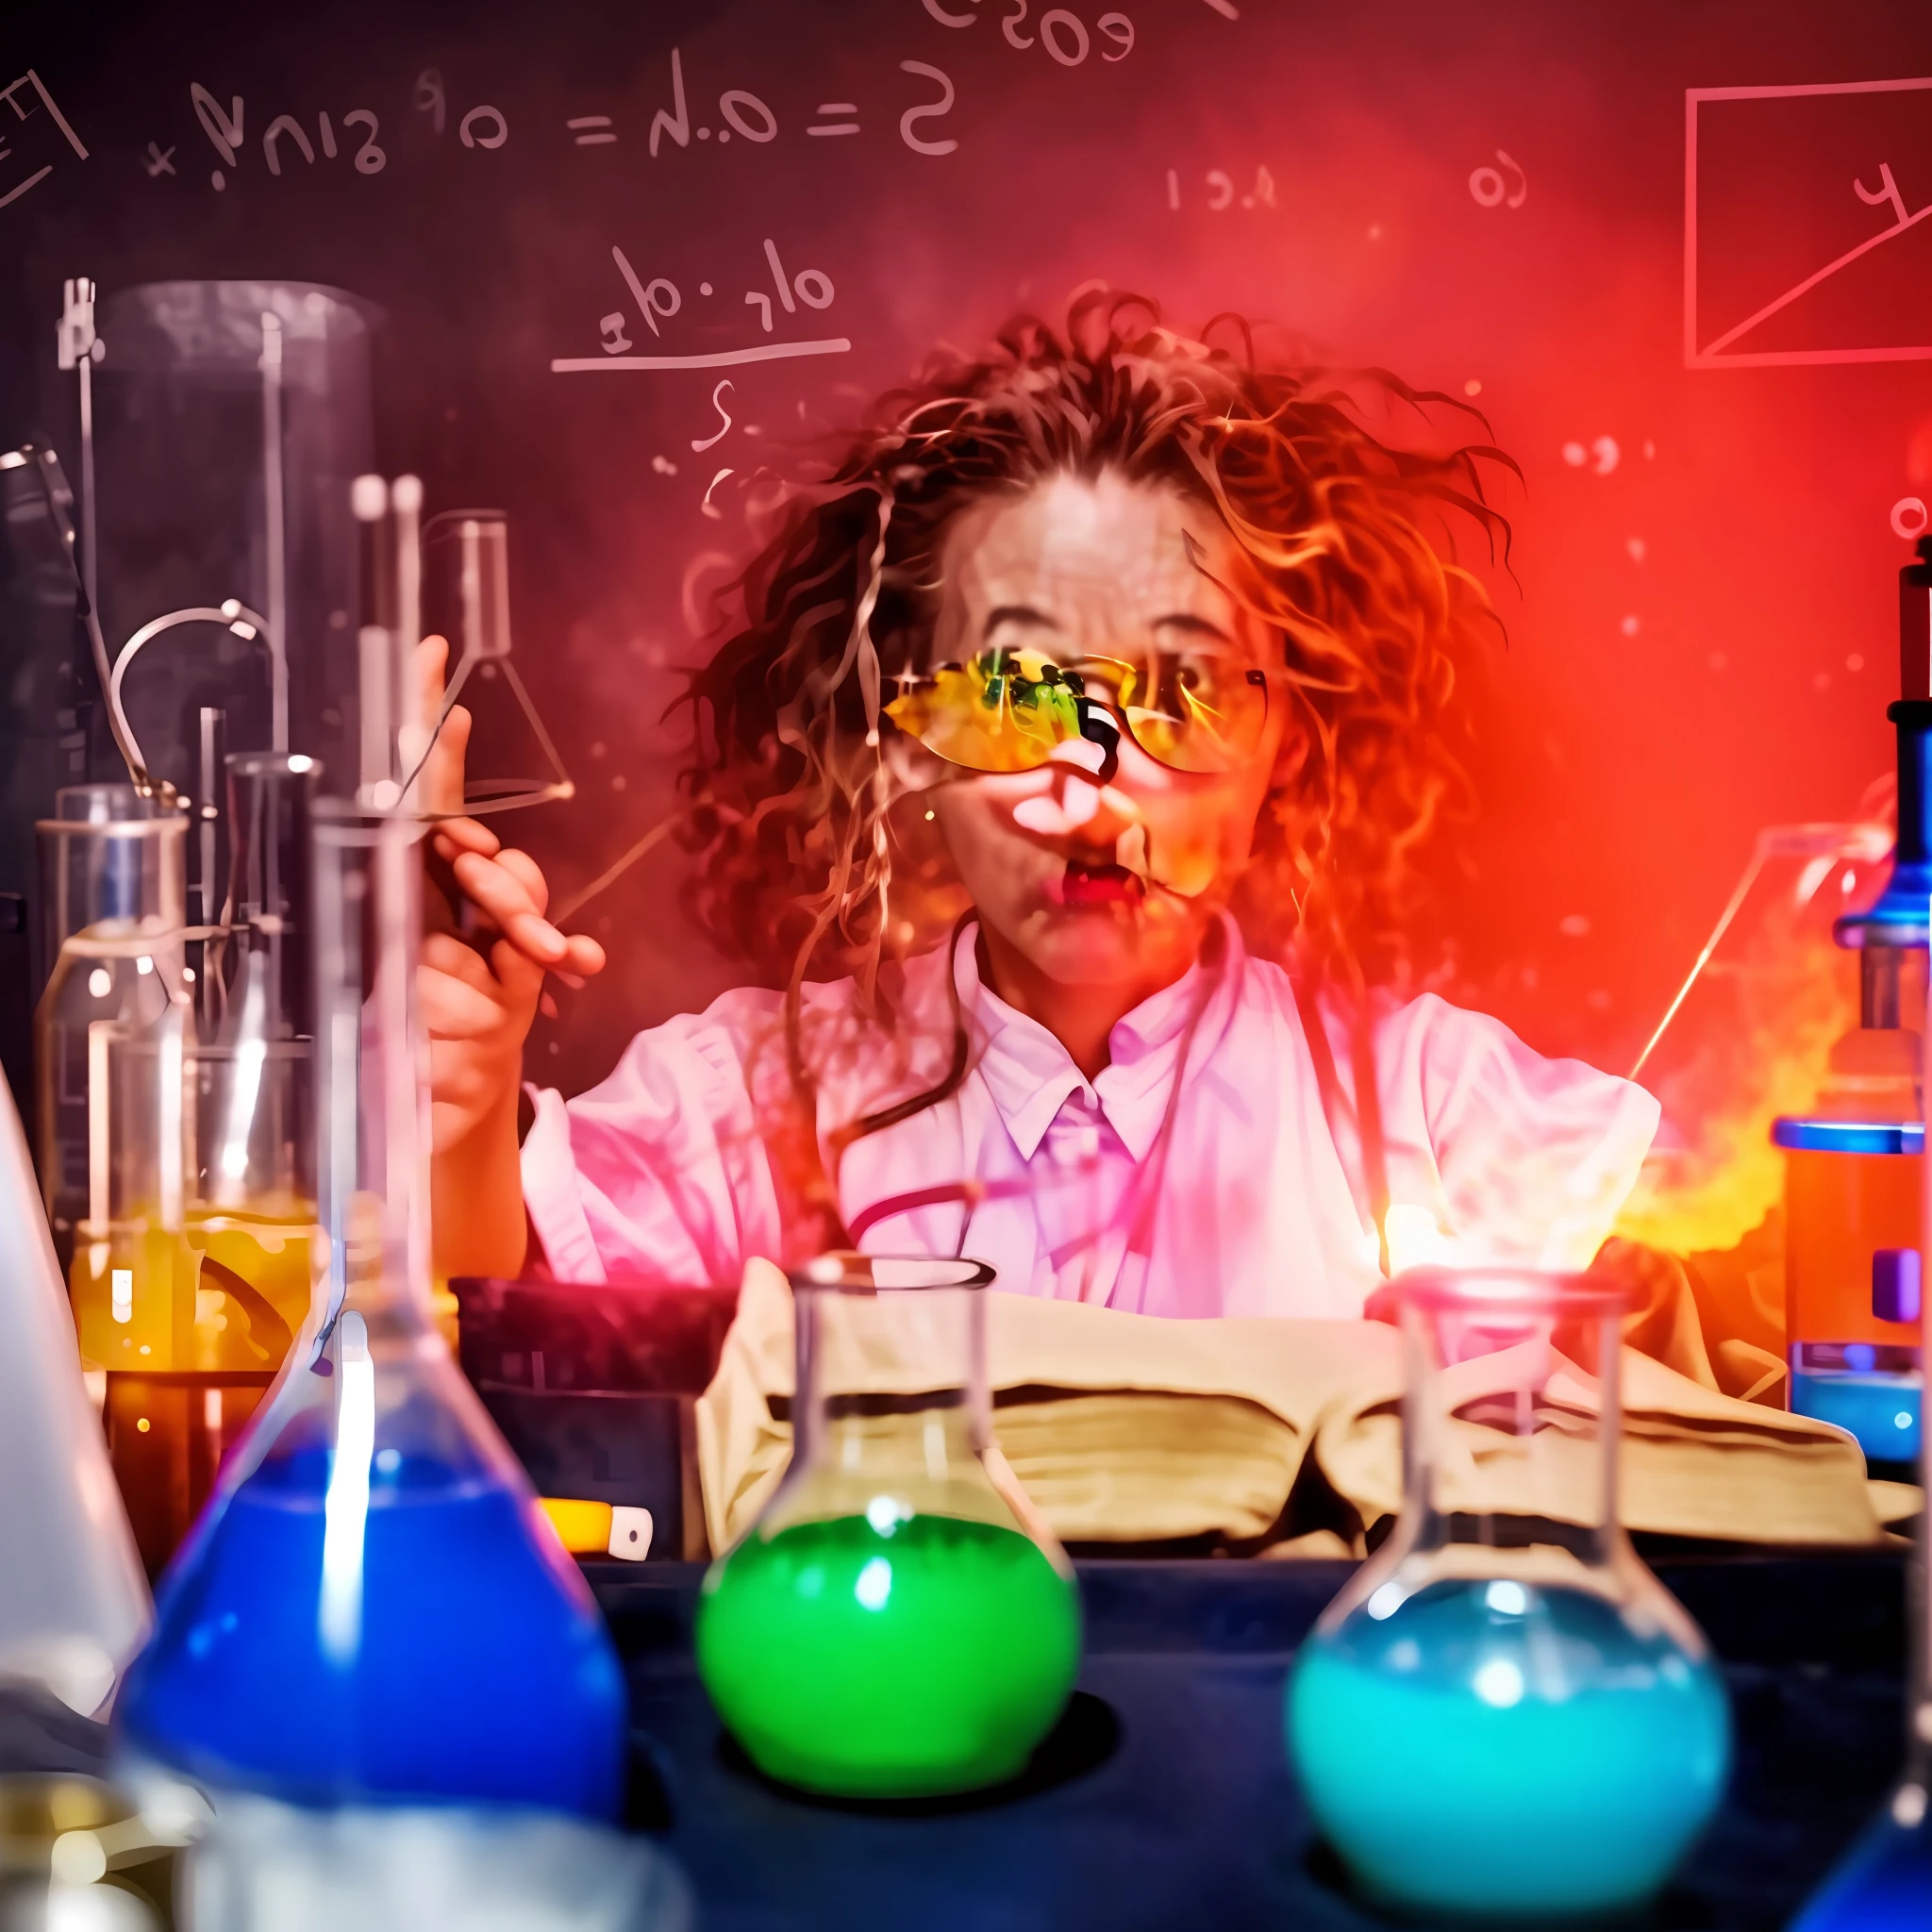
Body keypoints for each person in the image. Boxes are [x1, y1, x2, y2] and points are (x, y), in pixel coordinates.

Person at [422, 294, 1658, 1317]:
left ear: (1289, 731)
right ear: (906, 730)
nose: (1087, 784)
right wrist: (462, 1116)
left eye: (1179, 690)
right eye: (1013, 694)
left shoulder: (1440, 1117)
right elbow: (502, 1325)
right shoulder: (751, 1101)